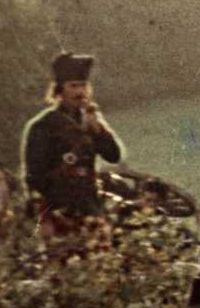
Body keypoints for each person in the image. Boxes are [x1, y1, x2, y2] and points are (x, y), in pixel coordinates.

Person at [21, 52, 124, 244]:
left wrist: (97, 126)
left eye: (83, 85)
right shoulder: (43, 125)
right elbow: (33, 177)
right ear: (60, 90)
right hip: (58, 214)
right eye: (73, 86)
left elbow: (114, 156)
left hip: (91, 211)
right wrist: (44, 219)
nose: (80, 92)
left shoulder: (91, 121)